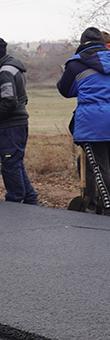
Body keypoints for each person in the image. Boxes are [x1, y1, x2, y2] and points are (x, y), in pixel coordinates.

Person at [57, 27, 110, 211]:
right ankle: (96, 205)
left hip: (93, 123)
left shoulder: (76, 64)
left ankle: (105, 207)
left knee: (99, 168)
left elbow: (65, 90)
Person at [0, 37, 38, 205]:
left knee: (10, 163)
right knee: (15, 162)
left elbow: (9, 100)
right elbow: (23, 98)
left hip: (10, 126)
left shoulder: (4, 72)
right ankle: (30, 199)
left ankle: (14, 201)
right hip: (18, 124)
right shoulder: (14, 68)